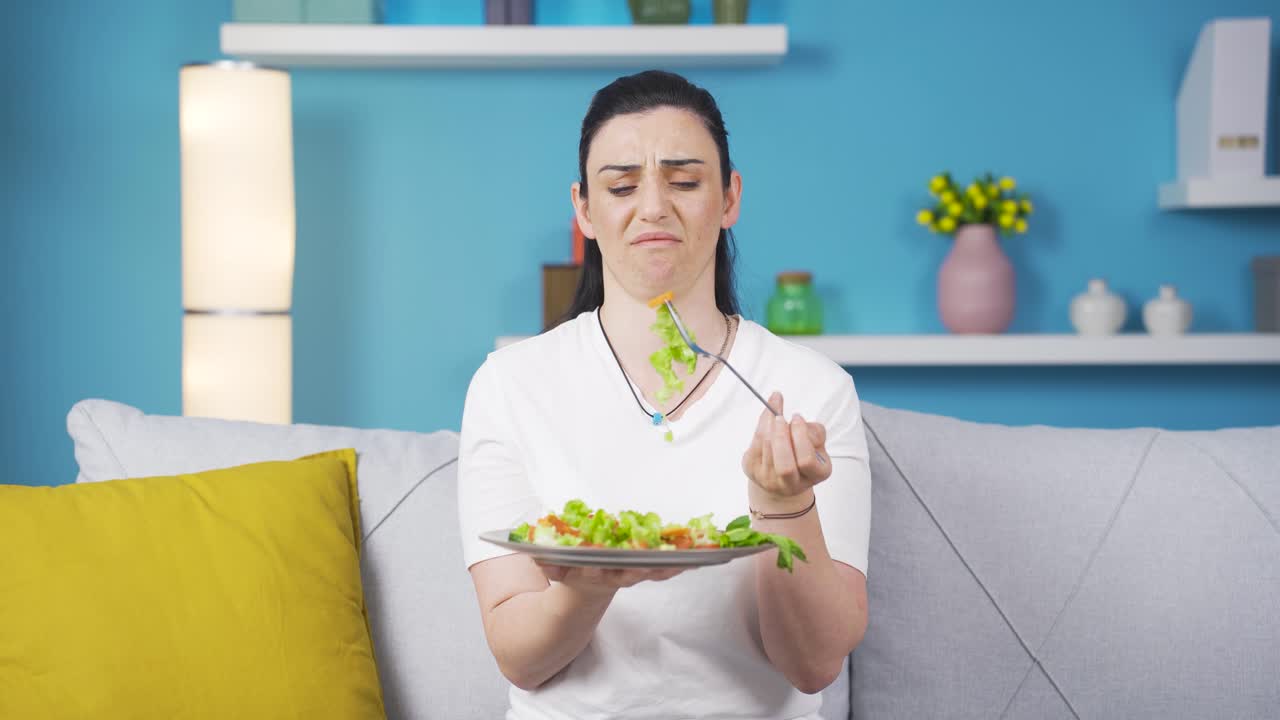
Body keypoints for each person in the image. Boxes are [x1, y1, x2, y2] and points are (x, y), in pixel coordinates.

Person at [457, 69, 870, 720]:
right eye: (622, 186)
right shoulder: (510, 386)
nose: (653, 207)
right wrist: (588, 587)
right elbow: (519, 656)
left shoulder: (813, 391)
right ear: (585, 209)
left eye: (684, 181)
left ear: (730, 197)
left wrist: (782, 502)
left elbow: (815, 665)